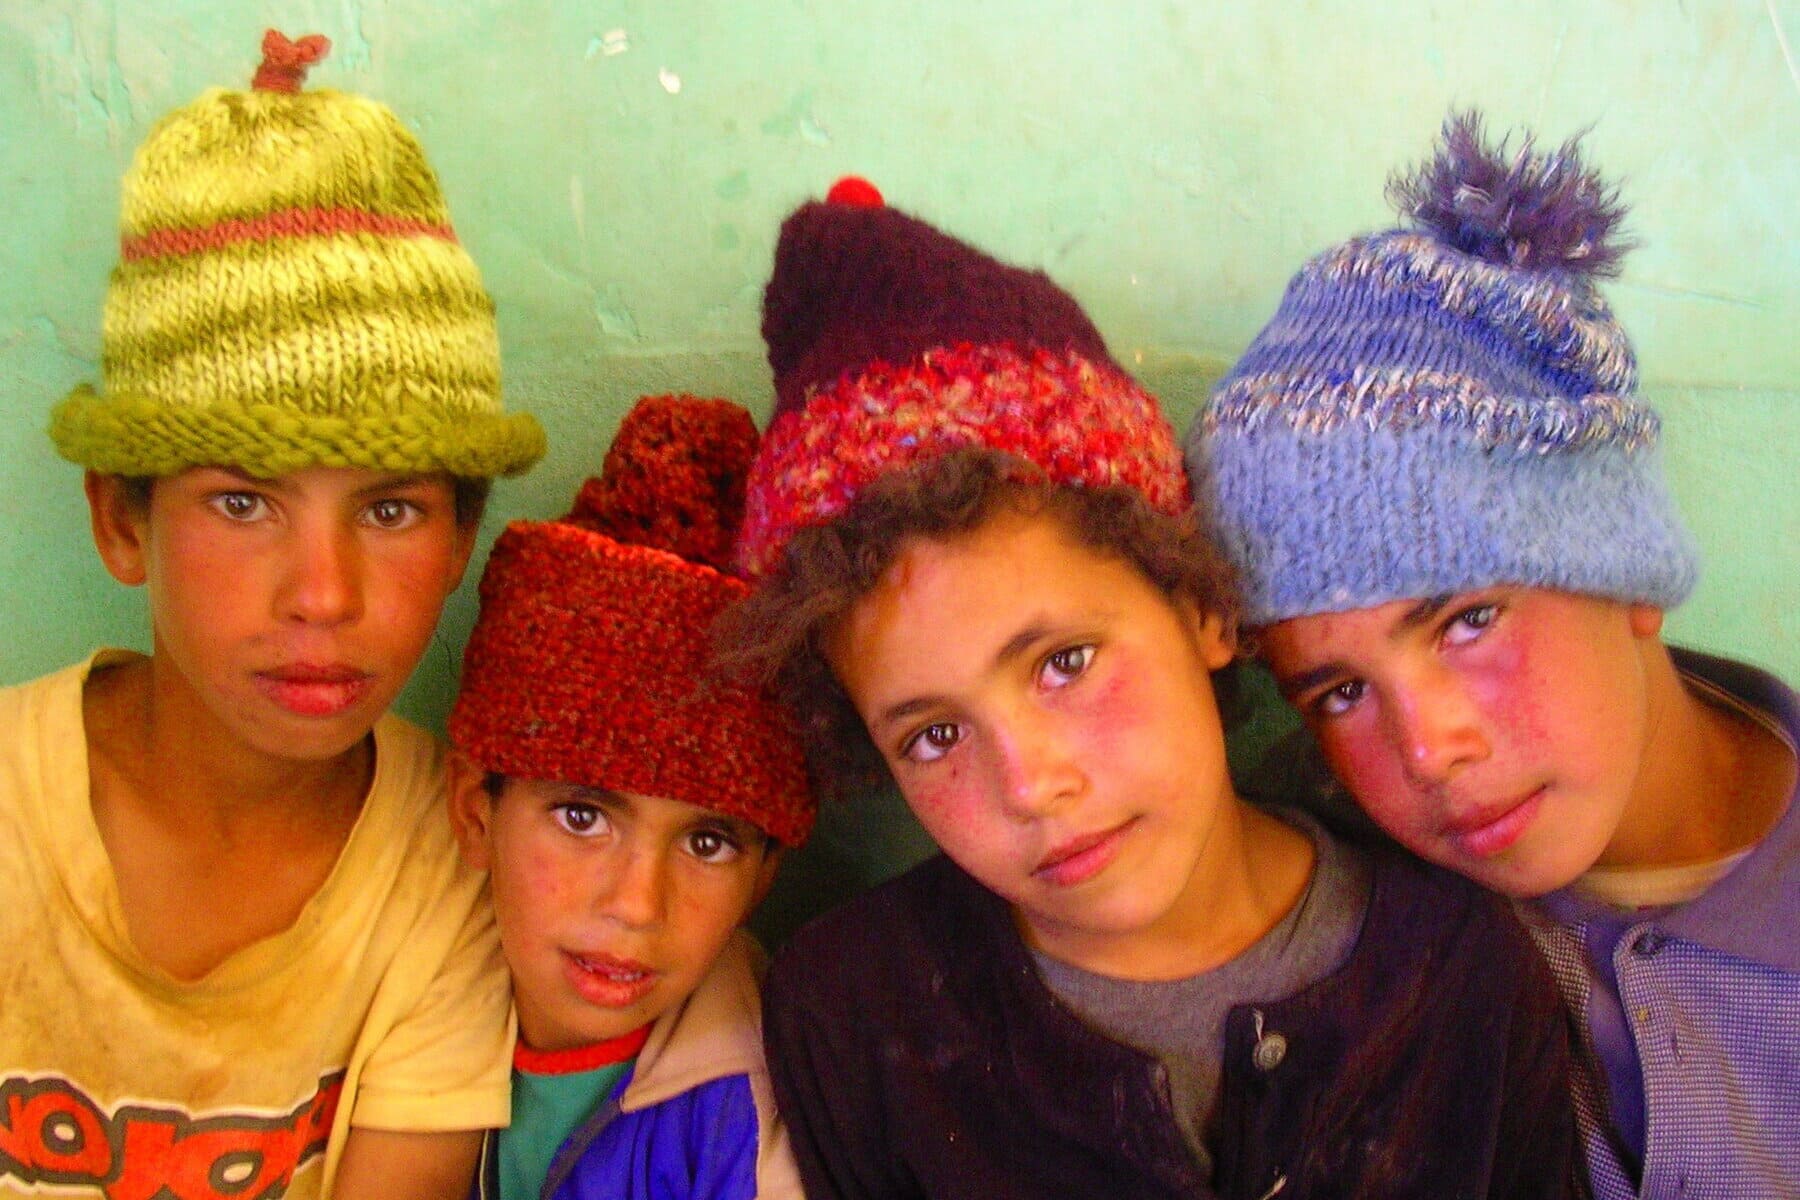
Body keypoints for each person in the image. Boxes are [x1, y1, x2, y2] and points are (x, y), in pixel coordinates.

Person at [723, 177, 1580, 1199]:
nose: (1031, 785)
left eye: (1064, 663)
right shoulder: (853, 1017)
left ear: (1202, 610)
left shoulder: (1464, 975)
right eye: (933, 735)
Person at [1186, 111, 1799, 1199]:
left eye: (1468, 621)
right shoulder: (1334, 906)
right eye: (1339, 691)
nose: (1430, 749)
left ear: (1628, 573)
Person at [0, 30, 545, 1200]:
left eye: (391, 510)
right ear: (122, 521)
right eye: (243, 502)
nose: (324, 595)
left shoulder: (453, 869)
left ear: (462, 538)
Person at [445, 394, 813, 1200]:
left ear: (764, 877)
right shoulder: (421, 990)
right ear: (475, 813)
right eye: (582, 817)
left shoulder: (745, 1130)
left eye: (708, 842)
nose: (638, 905)